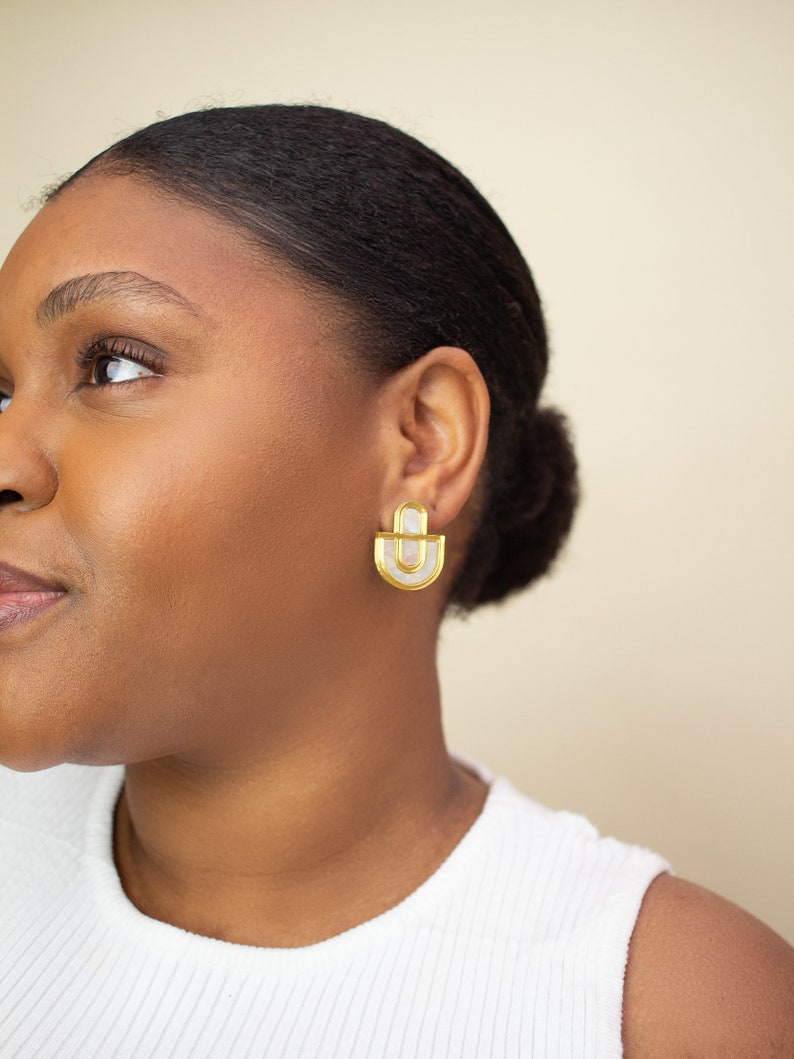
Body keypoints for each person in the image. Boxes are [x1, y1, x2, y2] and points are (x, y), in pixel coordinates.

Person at [0, 104, 791, 1059]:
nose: (7, 452)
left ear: (421, 444)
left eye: (114, 364)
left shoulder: (680, 1012)